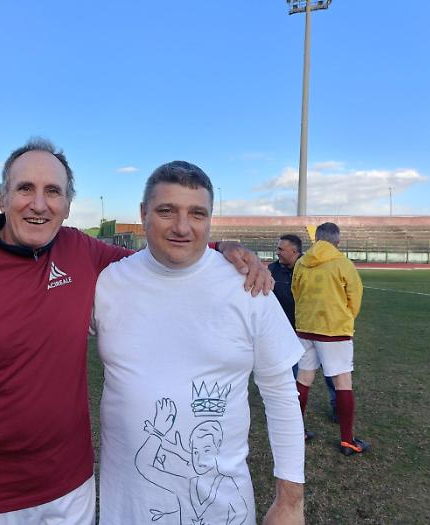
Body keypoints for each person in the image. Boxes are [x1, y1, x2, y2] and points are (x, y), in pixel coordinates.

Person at [0, 139, 272, 525]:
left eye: (53, 191)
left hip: (70, 489)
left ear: (67, 205)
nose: (39, 204)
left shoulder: (80, 251)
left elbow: (155, 260)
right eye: (25, 188)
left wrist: (221, 247)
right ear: (3, 197)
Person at [93, 161, 305, 525]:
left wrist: (290, 502)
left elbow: (281, 394)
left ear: (210, 219)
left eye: (196, 213)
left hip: (225, 511)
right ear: (143, 214)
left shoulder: (249, 286)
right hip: (126, 509)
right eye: (166, 211)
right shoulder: (107, 283)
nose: (182, 226)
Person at [292, 222, 368, 456]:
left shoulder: (301, 263)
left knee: (303, 379)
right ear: (337, 241)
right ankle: (347, 441)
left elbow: (296, 291)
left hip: (305, 328)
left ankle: (296, 432)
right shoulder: (342, 263)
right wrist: (345, 318)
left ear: (316, 239)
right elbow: (355, 297)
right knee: (342, 382)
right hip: (334, 331)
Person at [269, 234, 337, 425]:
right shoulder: (272, 270)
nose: (277, 252)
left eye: (281, 249)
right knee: (294, 373)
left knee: (331, 371)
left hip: (317, 329)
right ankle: (292, 412)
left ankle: (339, 408)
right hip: (289, 332)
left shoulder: (312, 267)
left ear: (294, 251)